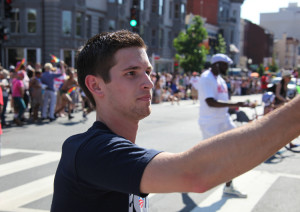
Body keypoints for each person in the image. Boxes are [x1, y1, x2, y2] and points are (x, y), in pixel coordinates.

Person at [51, 30, 300, 212]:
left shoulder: (119, 150)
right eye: (131, 73)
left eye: (148, 71)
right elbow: (195, 174)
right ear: (95, 85)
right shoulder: (91, 151)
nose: (149, 82)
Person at [195, 53, 255, 198]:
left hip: (224, 120)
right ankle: (185, 170)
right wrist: (236, 104)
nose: (228, 67)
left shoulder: (220, 79)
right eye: (225, 64)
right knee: (213, 155)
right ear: (217, 64)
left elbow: (223, 102)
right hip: (211, 123)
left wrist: (241, 106)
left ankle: (228, 186)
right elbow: (211, 102)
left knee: (235, 147)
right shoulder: (206, 78)